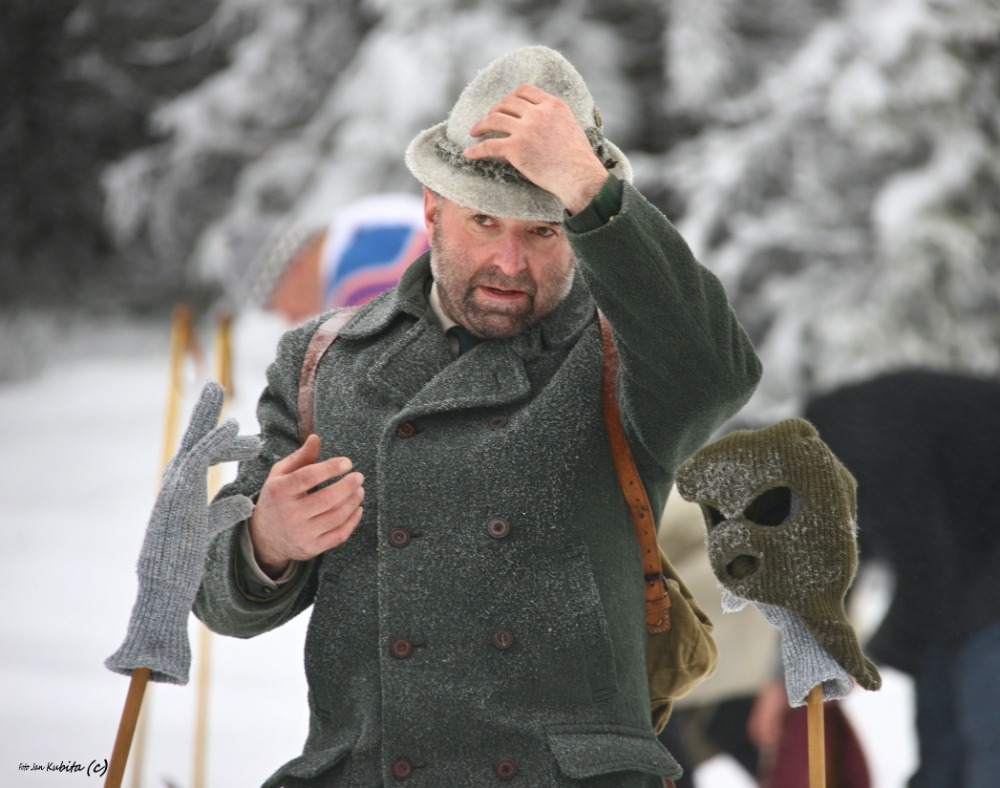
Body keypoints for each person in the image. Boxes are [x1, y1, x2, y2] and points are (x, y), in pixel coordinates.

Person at [194, 45, 761, 787]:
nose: (510, 263)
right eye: (484, 222)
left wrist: (589, 186)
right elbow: (219, 601)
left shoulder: (624, 355)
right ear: (432, 209)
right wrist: (267, 540)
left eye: (543, 231)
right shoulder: (324, 359)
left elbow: (718, 372)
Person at [803, 368, 1000, 788]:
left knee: (984, 717)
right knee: (943, 730)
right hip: (969, 556)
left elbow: (923, 561)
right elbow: (837, 565)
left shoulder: (866, 441)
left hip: (975, 568)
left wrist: (868, 660)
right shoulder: (831, 442)